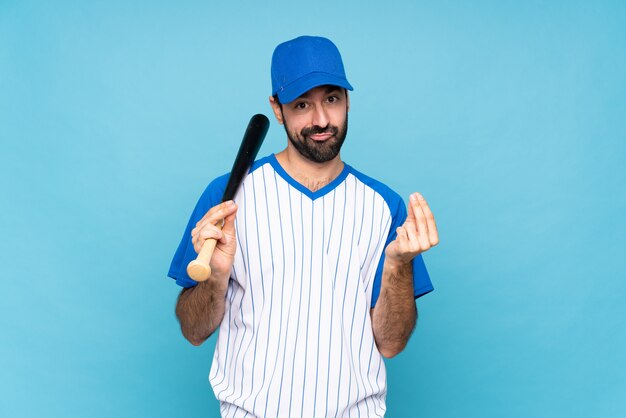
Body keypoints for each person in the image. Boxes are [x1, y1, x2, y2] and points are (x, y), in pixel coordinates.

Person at [168, 35, 439, 418]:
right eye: (301, 105)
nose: (322, 120)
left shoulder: (385, 206)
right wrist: (215, 277)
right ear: (276, 109)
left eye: (332, 99)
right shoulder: (226, 198)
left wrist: (398, 266)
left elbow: (391, 344)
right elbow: (193, 332)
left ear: (347, 100)